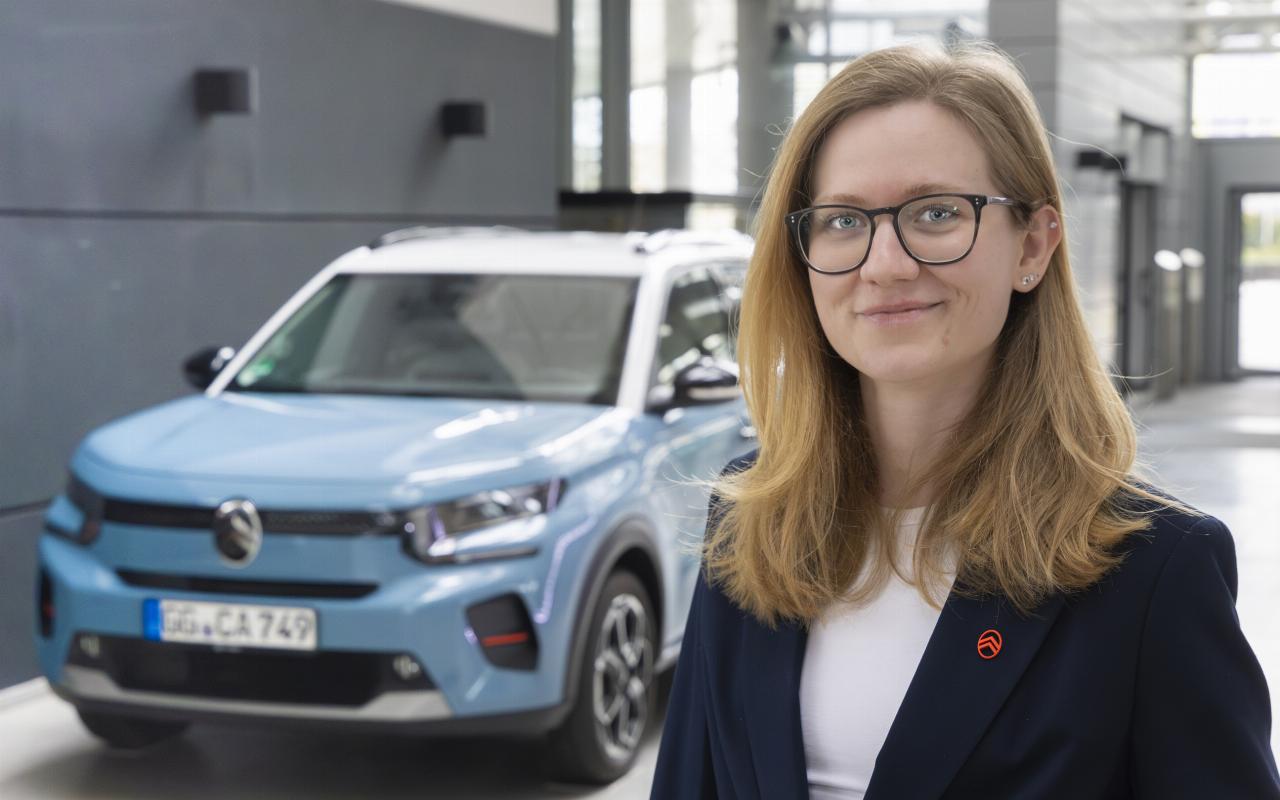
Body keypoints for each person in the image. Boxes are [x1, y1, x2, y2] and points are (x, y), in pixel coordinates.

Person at [649, 40, 1280, 799]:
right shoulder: (751, 519)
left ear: (1033, 246)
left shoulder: (1153, 570)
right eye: (843, 220)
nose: (885, 264)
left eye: (938, 213)